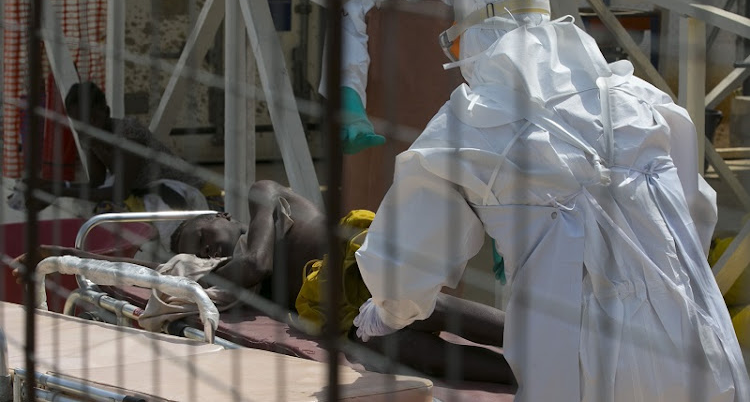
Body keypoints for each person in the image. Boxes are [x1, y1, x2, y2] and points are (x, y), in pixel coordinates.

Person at [352, 0, 750, 401]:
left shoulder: (470, 121)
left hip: (585, 365)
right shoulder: (642, 99)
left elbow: (410, 254)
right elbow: (694, 215)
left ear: (475, 35)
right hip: (702, 348)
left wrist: (388, 309)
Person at [14, 180, 513, 384]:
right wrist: (66, 254)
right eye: (196, 252)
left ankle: (548, 340)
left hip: (359, 261)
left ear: (223, 215)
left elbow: (253, 263)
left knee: (425, 308)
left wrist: (222, 277)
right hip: (337, 311)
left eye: (203, 235)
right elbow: (146, 280)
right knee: (405, 350)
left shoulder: (266, 197)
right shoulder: (232, 278)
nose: (206, 251)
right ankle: (523, 378)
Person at [320, 0, 463, 212]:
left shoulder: (462, 14)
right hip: (377, 145)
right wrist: (351, 112)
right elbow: (348, 65)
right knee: (370, 226)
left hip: (446, 148)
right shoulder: (360, 13)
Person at [26, 81, 224, 215]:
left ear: (106, 112)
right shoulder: (89, 138)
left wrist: (60, 191)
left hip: (201, 197)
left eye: (92, 118)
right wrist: (52, 187)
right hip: (161, 195)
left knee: (108, 210)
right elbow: (96, 182)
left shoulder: (129, 134)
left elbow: (119, 192)